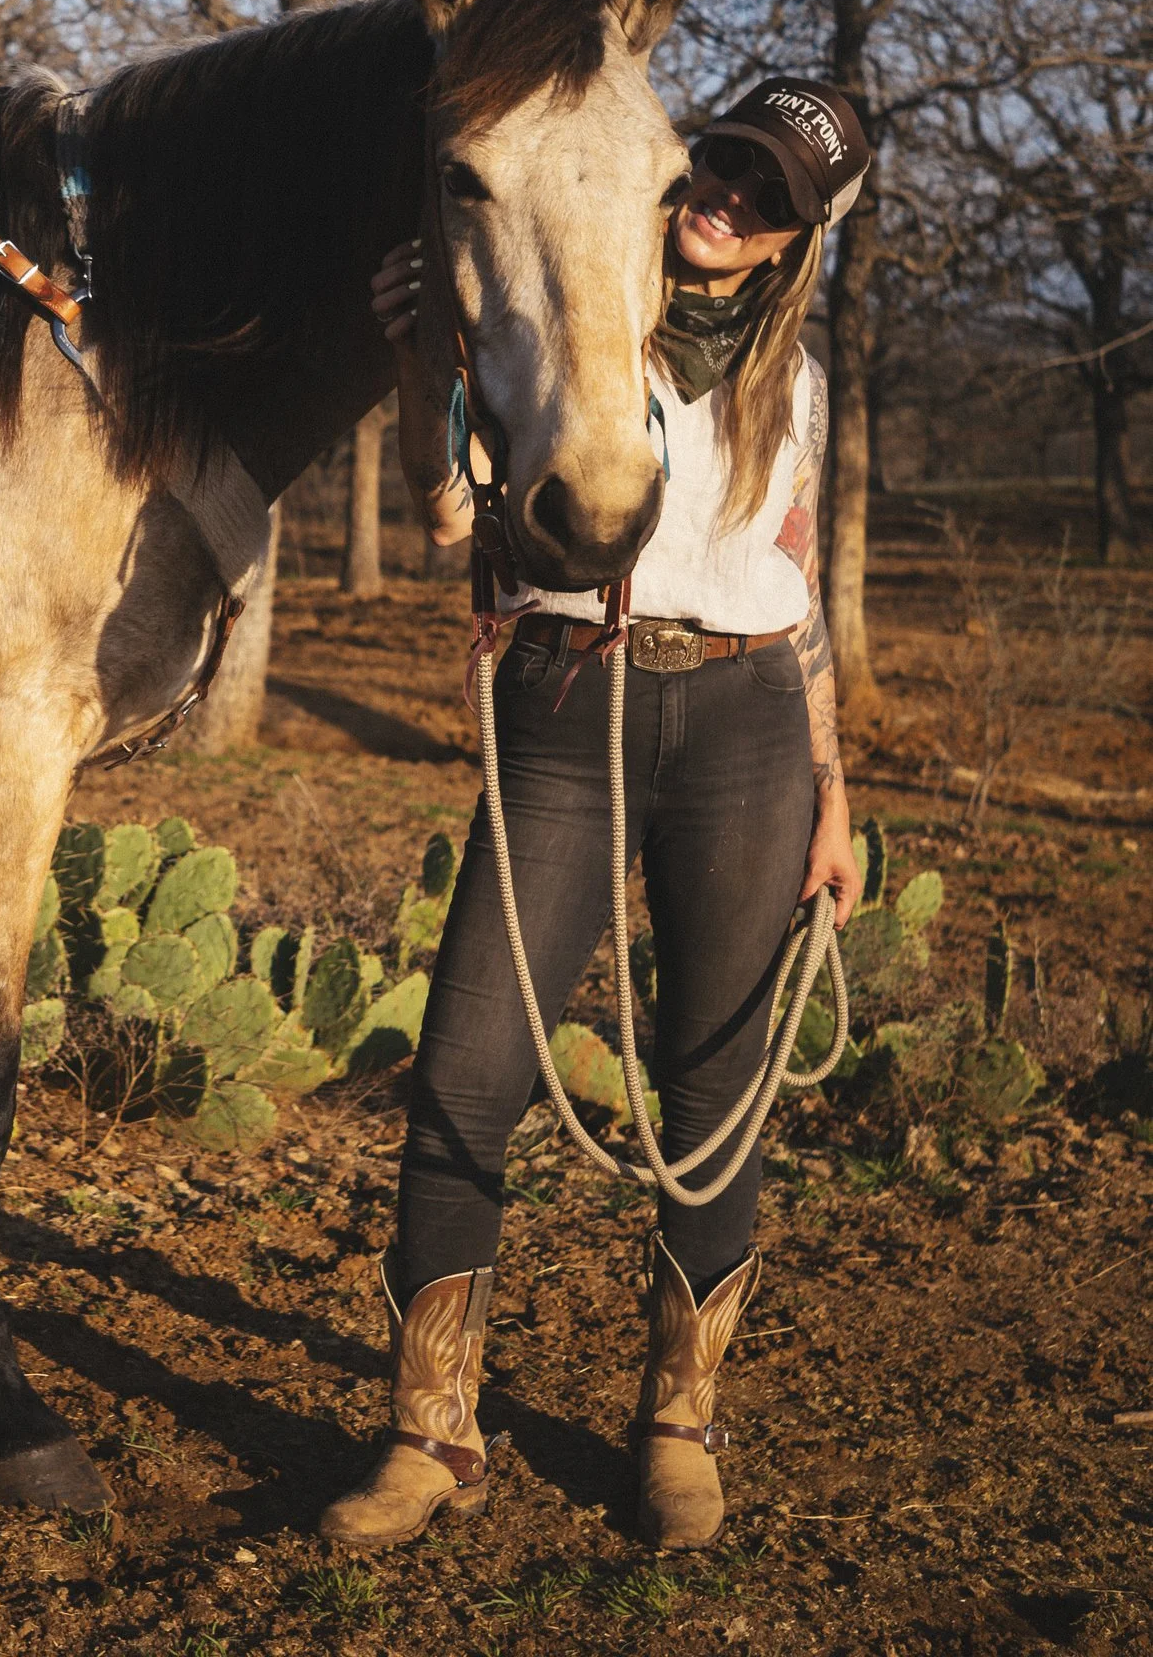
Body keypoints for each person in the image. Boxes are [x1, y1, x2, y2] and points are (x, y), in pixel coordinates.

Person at [318, 78, 872, 1554]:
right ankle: (431, 1432)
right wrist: (409, 345)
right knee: (466, 1073)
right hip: (565, 706)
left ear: (788, 245)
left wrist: (834, 790)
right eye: (727, 167)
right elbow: (450, 521)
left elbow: (798, 584)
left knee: (715, 1088)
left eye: (769, 202)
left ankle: (680, 1424)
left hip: (748, 719)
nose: (730, 204)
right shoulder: (552, 315)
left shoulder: (790, 382)